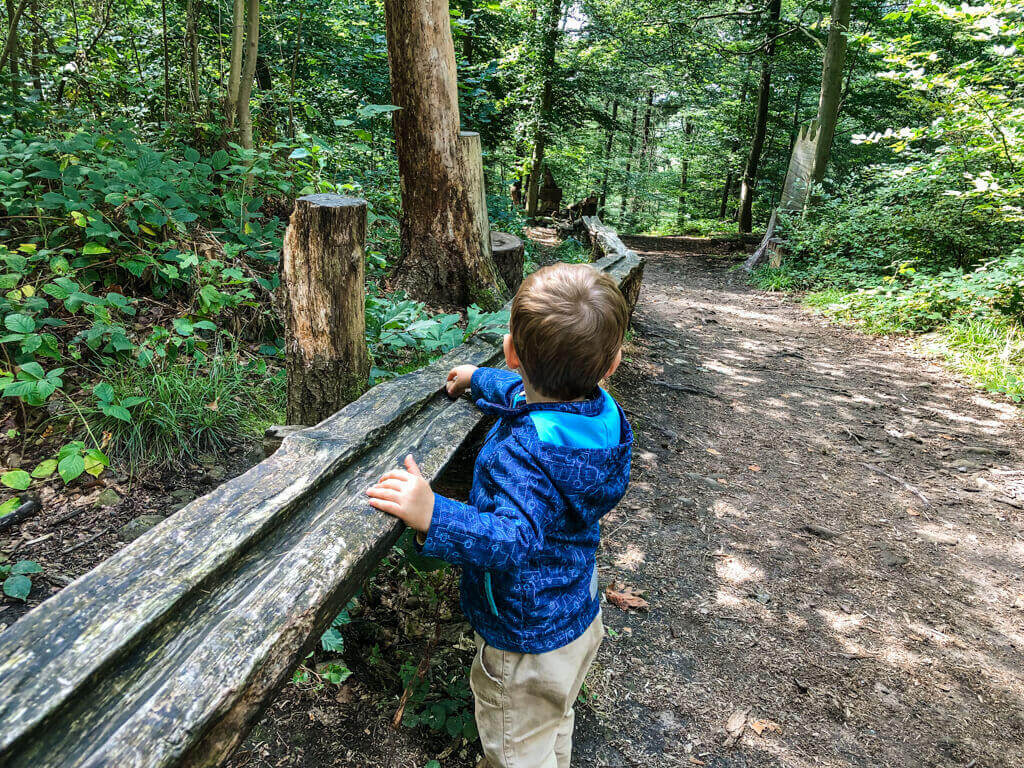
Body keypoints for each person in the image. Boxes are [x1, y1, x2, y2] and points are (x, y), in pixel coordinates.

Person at [366, 263, 633, 768]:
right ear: (611, 364)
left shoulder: (526, 453)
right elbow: (527, 397)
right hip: (577, 609)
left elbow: (511, 539)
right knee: (554, 719)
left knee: (517, 752)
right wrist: (477, 379)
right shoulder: (598, 416)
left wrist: (435, 513)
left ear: (512, 351)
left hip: (525, 639)